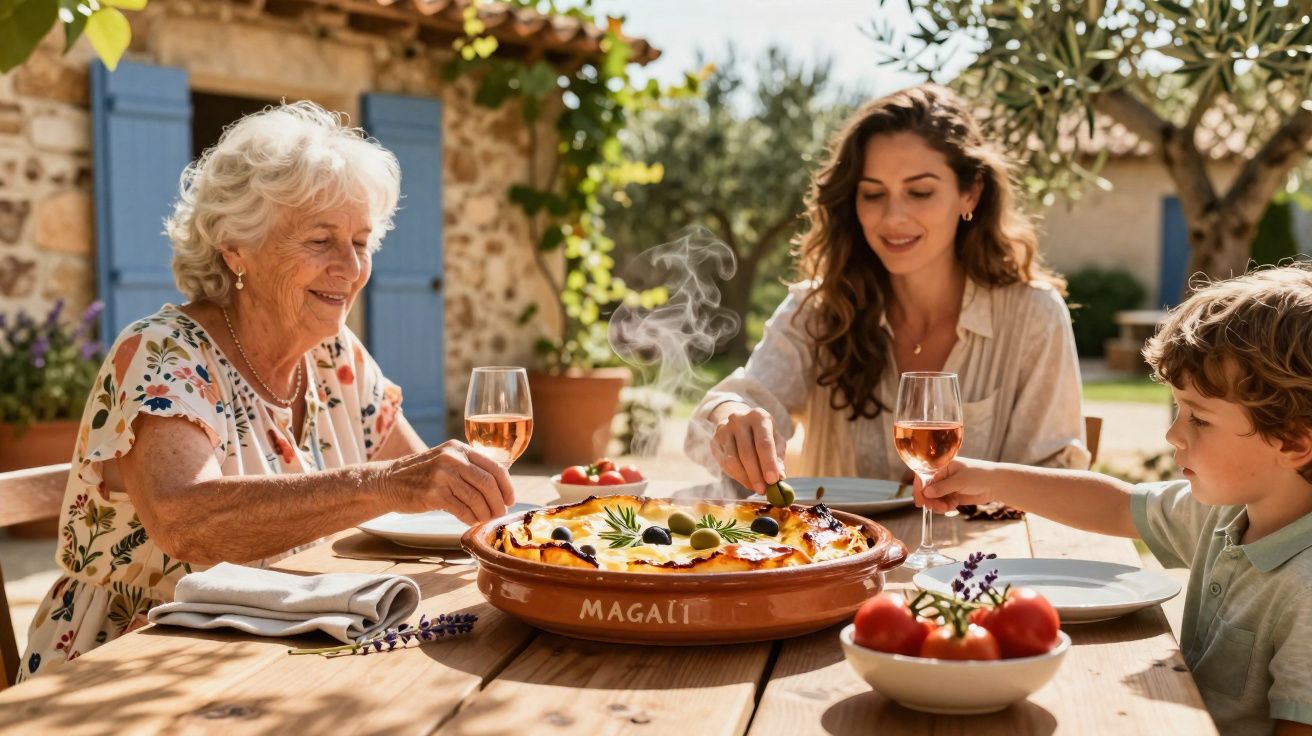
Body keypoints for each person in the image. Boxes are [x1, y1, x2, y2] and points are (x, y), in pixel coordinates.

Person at [19, 102, 512, 681]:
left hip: (284, 642)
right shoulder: (162, 353)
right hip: (138, 659)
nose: (351, 268)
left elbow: (424, 491)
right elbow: (185, 522)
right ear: (236, 248)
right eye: (320, 240)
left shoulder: (337, 355)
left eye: (361, 240)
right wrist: (381, 485)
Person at [917, 265, 1312, 736]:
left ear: (1292, 442)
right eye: (1177, 410)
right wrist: (993, 478)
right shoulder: (1227, 511)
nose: (1172, 434)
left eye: (1199, 420)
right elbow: (1117, 505)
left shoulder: (1304, 590)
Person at [686, 84, 1088, 494]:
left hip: (986, 559)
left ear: (971, 192)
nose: (893, 217)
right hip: (840, 553)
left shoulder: (1033, 316)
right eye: (873, 194)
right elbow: (729, 409)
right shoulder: (818, 310)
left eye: (920, 192)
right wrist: (730, 415)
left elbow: (1059, 475)